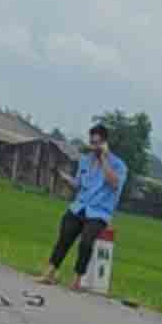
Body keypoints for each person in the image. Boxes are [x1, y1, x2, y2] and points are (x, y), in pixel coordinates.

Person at [38, 123, 128, 290]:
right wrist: (67, 180)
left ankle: (78, 279)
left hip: (99, 212)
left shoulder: (118, 165)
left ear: (105, 143)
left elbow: (114, 183)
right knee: (64, 238)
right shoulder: (85, 161)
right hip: (79, 206)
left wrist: (103, 159)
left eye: (98, 143)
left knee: (86, 243)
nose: (94, 147)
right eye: (92, 143)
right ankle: (50, 272)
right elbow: (79, 184)